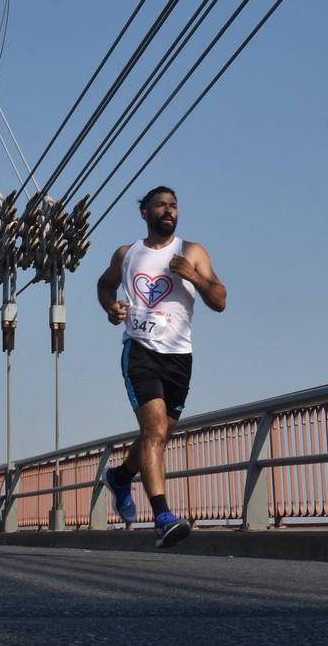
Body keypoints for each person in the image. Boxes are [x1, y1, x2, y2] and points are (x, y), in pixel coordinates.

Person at [96, 185, 227, 548]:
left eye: (173, 205)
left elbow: (220, 300)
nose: (168, 210)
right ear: (145, 213)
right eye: (160, 205)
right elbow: (104, 285)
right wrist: (110, 307)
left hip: (179, 357)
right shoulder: (127, 254)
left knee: (160, 435)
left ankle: (120, 477)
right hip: (140, 351)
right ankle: (163, 517)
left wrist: (193, 276)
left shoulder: (191, 252)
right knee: (154, 432)